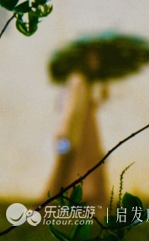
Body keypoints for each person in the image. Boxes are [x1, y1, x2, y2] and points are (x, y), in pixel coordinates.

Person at [44, 51, 109, 209]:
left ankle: (83, 198)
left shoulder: (85, 82)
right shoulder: (77, 80)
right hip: (73, 132)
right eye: (92, 59)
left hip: (84, 132)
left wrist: (103, 92)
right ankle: (53, 201)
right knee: (65, 165)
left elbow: (88, 105)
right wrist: (64, 132)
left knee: (85, 164)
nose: (96, 63)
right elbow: (72, 109)